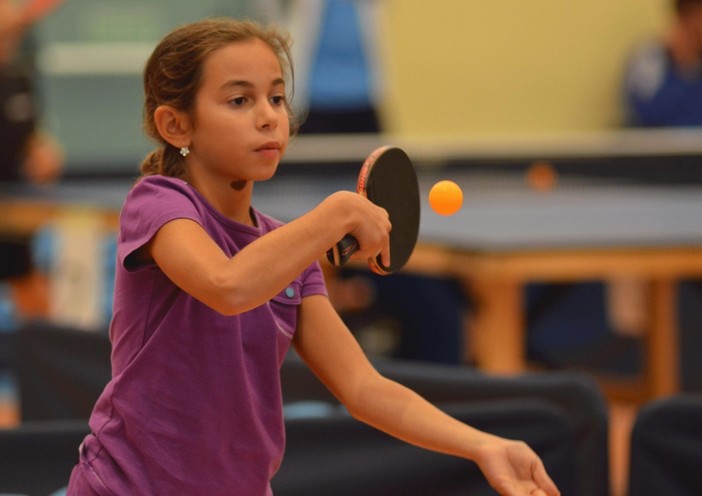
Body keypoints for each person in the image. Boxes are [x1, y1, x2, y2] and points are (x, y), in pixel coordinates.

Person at [65, 18, 560, 496]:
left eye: (276, 98)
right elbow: (228, 285)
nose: (268, 115)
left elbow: (364, 388)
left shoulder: (288, 253)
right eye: (239, 100)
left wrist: (484, 446)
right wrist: (339, 211)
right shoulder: (157, 205)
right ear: (176, 125)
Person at [623, 0, 702, 127]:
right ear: (683, 17)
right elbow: (646, 114)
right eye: (697, 15)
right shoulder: (650, 57)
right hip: (658, 145)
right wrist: (683, 65)